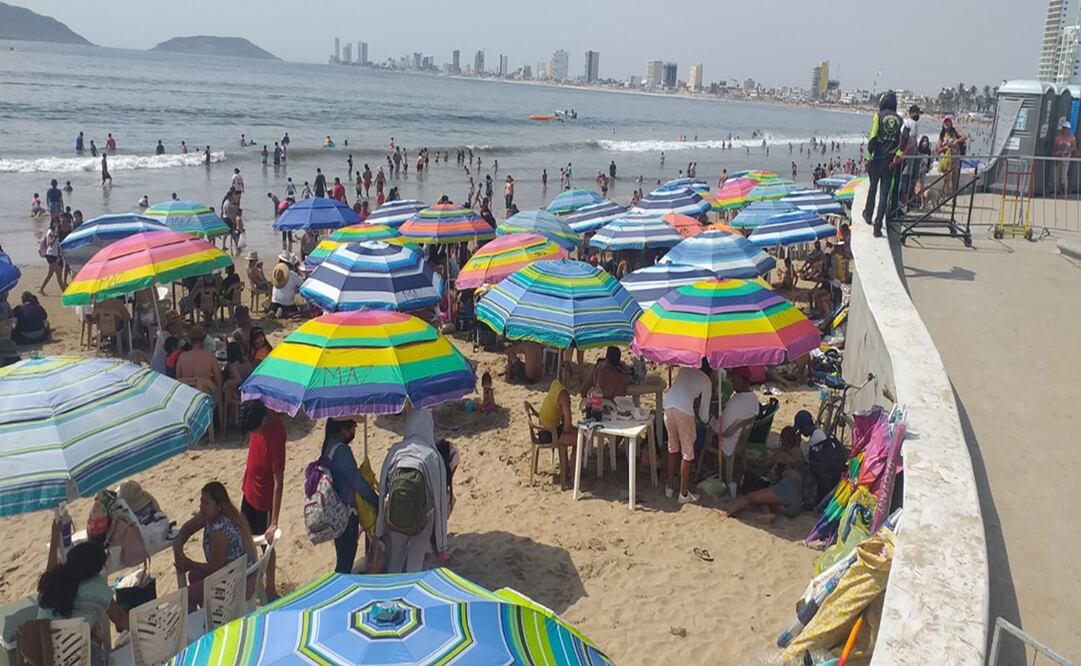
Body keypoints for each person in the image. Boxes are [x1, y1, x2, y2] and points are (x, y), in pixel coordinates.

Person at [377, 407, 449, 573]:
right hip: (423, 518)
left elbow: (383, 486)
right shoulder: (433, 455)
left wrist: (380, 527)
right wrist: (441, 544)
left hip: (395, 515)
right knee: (415, 561)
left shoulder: (396, 450)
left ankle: (392, 592)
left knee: (396, 557)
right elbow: (439, 500)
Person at [37, 537, 127, 665]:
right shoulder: (97, 587)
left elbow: (51, 563)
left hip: (44, 652)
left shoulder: (52, 578)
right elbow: (119, 618)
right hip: (77, 657)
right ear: (94, 571)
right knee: (95, 632)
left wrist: (55, 534)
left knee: (91, 630)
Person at [173, 482, 258, 611]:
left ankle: (201, 627)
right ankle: (212, 614)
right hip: (235, 573)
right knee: (193, 576)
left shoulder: (219, 530)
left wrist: (190, 563)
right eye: (201, 502)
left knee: (187, 595)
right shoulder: (208, 517)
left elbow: (215, 567)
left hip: (240, 582)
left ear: (218, 507)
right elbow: (186, 529)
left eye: (206, 503)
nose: (202, 507)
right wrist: (179, 549)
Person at [322, 418, 380, 574]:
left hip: (336, 511)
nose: (354, 432)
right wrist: (376, 501)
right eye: (353, 428)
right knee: (345, 563)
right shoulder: (341, 451)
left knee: (343, 557)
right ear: (343, 429)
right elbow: (357, 482)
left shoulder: (329, 446)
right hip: (347, 513)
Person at [240, 400, 284, 600]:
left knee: (267, 545)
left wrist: (274, 521)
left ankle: (271, 588)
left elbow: (279, 482)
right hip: (248, 490)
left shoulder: (276, 434)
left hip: (264, 500)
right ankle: (250, 584)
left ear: (264, 419)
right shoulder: (256, 419)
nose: (254, 433)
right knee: (244, 540)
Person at [722, 426, 805, 522]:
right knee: (762, 498)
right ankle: (768, 515)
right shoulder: (799, 453)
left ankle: (727, 512)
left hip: (787, 488)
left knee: (750, 497)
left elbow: (766, 470)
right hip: (797, 502)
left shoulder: (780, 454)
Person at [664, 361, 713, 504]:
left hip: (668, 407)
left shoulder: (684, 371)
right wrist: (709, 418)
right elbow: (704, 415)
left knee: (672, 448)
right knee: (687, 454)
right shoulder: (706, 381)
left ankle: (669, 487)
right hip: (684, 411)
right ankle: (683, 494)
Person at [862, 91, 908, 238]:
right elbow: (905, 139)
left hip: (877, 160)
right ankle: (877, 226)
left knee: (873, 188)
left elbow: (873, 137)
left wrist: (868, 157)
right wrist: (898, 156)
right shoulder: (901, 120)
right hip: (890, 162)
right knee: (884, 194)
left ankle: (868, 214)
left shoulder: (878, 117)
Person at [717, 367, 761, 498]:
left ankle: (702, 465)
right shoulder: (753, 398)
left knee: (704, 430)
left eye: (734, 378)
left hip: (728, 441)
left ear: (742, 380)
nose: (731, 381)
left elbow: (722, 428)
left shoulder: (736, 401)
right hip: (740, 440)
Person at [176, 324, 222, 392]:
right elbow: (219, 382)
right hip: (203, 396)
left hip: (186, 395)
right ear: (203, 340)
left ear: (190, 341)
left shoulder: (182, 357)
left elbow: (178, 379)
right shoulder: (210, 357)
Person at [270, 252, 303, 318]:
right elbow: (301, 283)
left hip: (274, 300)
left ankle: (273, 310)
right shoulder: (291, 274)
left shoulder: (276, 271)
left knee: (275, 304)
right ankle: (284, 312)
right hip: (287, 302)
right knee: (295, 311)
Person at [1054, 119, 1077, 195]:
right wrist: (1057, 152)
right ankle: (1056, 191)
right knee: (1057, 176)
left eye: (1066, 129)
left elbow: (1074, 147)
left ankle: (1065, 192)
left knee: (1064, 176)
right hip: (1058, 159)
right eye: (1064, 128)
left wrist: (1067, 149)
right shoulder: (1058, 138)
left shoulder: (1071, 138)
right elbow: (1055, 148)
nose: (1065, 130)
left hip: (1066, 159)